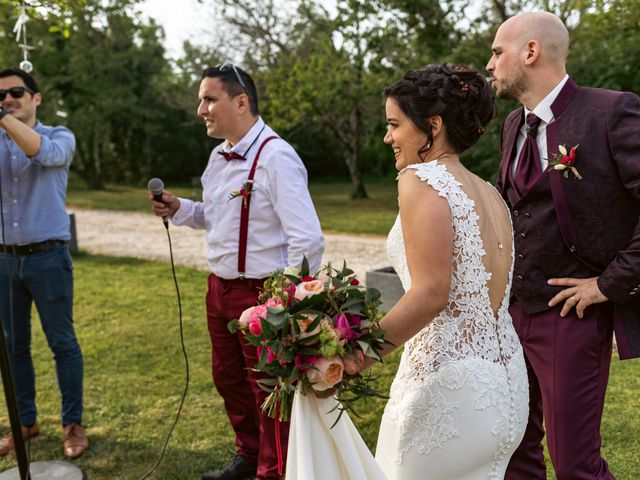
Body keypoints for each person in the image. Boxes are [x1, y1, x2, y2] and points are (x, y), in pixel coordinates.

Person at [149, 64, 324, 480]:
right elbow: (219, 216)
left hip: (263, 292)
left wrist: (284, 301)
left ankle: (275, 470)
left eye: (209, 99)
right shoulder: (217, 155)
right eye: (201, 99)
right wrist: (182, 210)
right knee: (229, 379)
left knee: (269, 390)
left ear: (241, 101)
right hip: (220, 289)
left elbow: (308, 239)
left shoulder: (276, 157)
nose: (200, 109)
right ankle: (249, 456)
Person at [487, 11, 640, 480]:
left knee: (575, 464)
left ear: (530, 52)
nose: (489, 64)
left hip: (572, 317)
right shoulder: (513, 123)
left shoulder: (611, 112)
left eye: (497, 52)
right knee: (514, 450)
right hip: (513, 315)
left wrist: (609, 285)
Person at [373, 64, 528, 479]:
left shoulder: (419, 179)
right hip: (506, 386)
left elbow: (431, 293)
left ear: (433, 126)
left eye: (395, 124)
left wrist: (354, 356)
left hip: (448, 391)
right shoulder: (490, 193)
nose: (388, 137)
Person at [0, 67, 88, 458]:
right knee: (13, 347)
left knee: (62, 344)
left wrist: (3, 118)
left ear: (37, 98)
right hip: (4, 260)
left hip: (48, 258)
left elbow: (41, 153)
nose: (8, 99)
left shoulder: (59, 136)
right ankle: (25, 422)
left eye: (16, 92)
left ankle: (72, 425)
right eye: (1, 95)